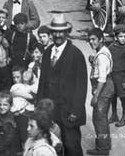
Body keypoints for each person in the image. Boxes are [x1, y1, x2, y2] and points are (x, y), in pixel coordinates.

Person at [36, 13, 88, 156]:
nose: (58, 35)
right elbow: (42, 82)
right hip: (50, 110)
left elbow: (81, 86)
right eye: (55, 32)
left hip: (68, 112)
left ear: (67, 33)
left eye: (61, 32)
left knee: (71, 146)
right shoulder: (47, 52)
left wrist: (76, 111)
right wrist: (40, 106)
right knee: (53, 145)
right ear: (51, 33)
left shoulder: (76, 54)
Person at [86, 27, 114, 156]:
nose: (92, 42)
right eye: (90, 40)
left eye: (94, 39)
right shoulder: (103, 51)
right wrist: (93, 61)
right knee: (100, 119)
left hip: (103, 89)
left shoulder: (102, 56)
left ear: (101, 39)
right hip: (106, 88)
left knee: (99, 119)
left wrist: (96, 96)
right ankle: (103, 146)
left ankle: (102, 149)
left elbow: (102, 78)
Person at [107, 25, 125, 127]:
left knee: (122, 96)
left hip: (121, 77)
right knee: (113, 95)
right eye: (121, 36)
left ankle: (124, 117)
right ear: (116, 37)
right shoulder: (111, 47)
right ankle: (114, 115)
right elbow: (106, 57)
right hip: (112, 75)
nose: (123, 39)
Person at [0, 90, 21, 155]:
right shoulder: (0, 116)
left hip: (5, 152)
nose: (2, 107)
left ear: (11, 105)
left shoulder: (8, 122)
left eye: (5, 105)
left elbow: (8, 140)